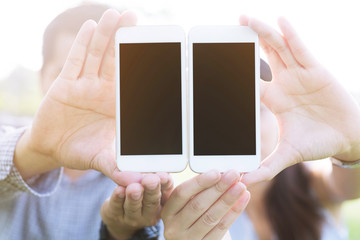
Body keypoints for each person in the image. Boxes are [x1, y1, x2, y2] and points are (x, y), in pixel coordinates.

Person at [0, 4, 250, 240]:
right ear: (41, 76)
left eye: (104, 75)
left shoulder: (144, 178)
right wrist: (35, 150)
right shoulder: (9, 136)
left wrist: (124, 234)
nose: (83, 91)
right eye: (66, 74)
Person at [158, 16, 360, 240]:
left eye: (257, 111)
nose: (240, 129)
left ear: (279, 118)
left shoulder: (313, 186)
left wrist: (354, 144)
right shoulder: (189, 213)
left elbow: (350, 186)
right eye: (224, 116)